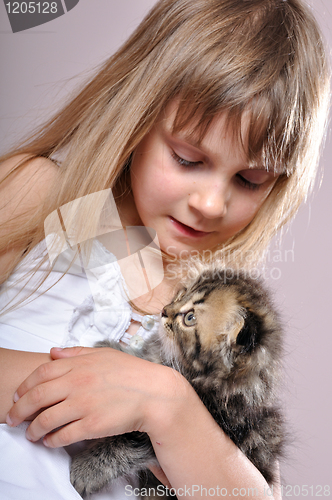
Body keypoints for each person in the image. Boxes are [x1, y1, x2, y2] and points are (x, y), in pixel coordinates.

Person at [0, 0, 330, 499]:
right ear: (137, 113)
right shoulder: (38, 195)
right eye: (187, 159)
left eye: (249, 179)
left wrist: (166, 404)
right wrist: (109, 391)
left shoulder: (220, 317)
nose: (212, 203)